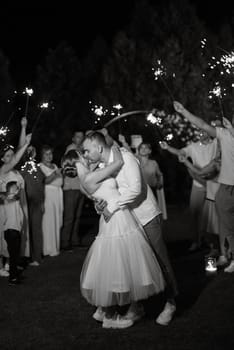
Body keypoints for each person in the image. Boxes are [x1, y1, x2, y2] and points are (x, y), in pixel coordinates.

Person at [82, 132, 178, 326]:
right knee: (134, 265)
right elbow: (105, 194)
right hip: (127, 222)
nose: (85, 154)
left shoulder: (126, 157)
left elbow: (135, 189)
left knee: (160, 261)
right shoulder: (103, 167)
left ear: (99, 147)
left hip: (146, 216)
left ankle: (170, 303)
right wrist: (99, 206)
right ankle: (137, 307)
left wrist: (112, 207)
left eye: (86, 150)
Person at [173, 101, 234, 273]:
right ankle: (228, 255)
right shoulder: (223, 135)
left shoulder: (227, 134)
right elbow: (201, 124)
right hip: (225, 189)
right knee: (226, 225)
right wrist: (184, 111)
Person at [160, 128, 218, 251]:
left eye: (204, 132)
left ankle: (212, 242)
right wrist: (168, 148)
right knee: (195, 213)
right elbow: (180, 152)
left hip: (214, 184)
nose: (201, 134)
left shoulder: (216, 143)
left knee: (212, 215)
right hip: (198, 184)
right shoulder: (193, 147)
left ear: (209, 132)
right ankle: (196, 241)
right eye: (199, 132)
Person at [20, 146, 45, 266]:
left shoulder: (38, 168)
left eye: (33, 150)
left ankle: (36, 257)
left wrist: (42, 202)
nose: (31, 152)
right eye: (28, 150)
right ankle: (25, 256)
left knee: (36, 229)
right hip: (24, 202)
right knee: (25, 230)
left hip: (36, 202)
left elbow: (41, 186)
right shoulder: (22, 167)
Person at [40, 145, 63, 257]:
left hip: (57, 195)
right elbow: (44, 181)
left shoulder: (54, 165)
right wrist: (55, 174)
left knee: (57, 220)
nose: (49, 156)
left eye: (51, 154)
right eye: (46, 154)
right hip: (48, 195)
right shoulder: (40, 167)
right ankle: (48, 248)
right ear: (42, 155)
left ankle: (55, 246)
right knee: (49, 221)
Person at [60, 150, 85, 251]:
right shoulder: (67, 161)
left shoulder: (80, 161)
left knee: (77, 217)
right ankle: (65, 242)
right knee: (69, 217)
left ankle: (75, 240)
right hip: (69, 190)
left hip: (79, 189)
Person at [137, 142, 167, 220]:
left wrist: (160, 183)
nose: (143, 149)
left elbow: (160, 174)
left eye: (146, 147)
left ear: (150, 151)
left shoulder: (154, 163)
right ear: (139, 150)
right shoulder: (136, 162)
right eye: (141, 148)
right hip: (139, 192)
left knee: (152, 216)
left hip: (152, 191)